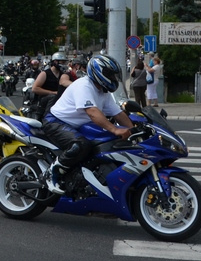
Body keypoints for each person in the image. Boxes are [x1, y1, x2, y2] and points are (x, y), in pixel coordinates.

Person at [42, 54, 133, 194]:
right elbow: (92, 112)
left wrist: (133, 130)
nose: (114, 78)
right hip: (55, 122)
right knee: (80, 145)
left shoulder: (103, 92)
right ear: (98, 72)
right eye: (110, 74)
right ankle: (51, 173)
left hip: (76, 126)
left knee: (101, 145)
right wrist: (115, 129)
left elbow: (118, 114)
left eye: (114, 75)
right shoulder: (84, 85)